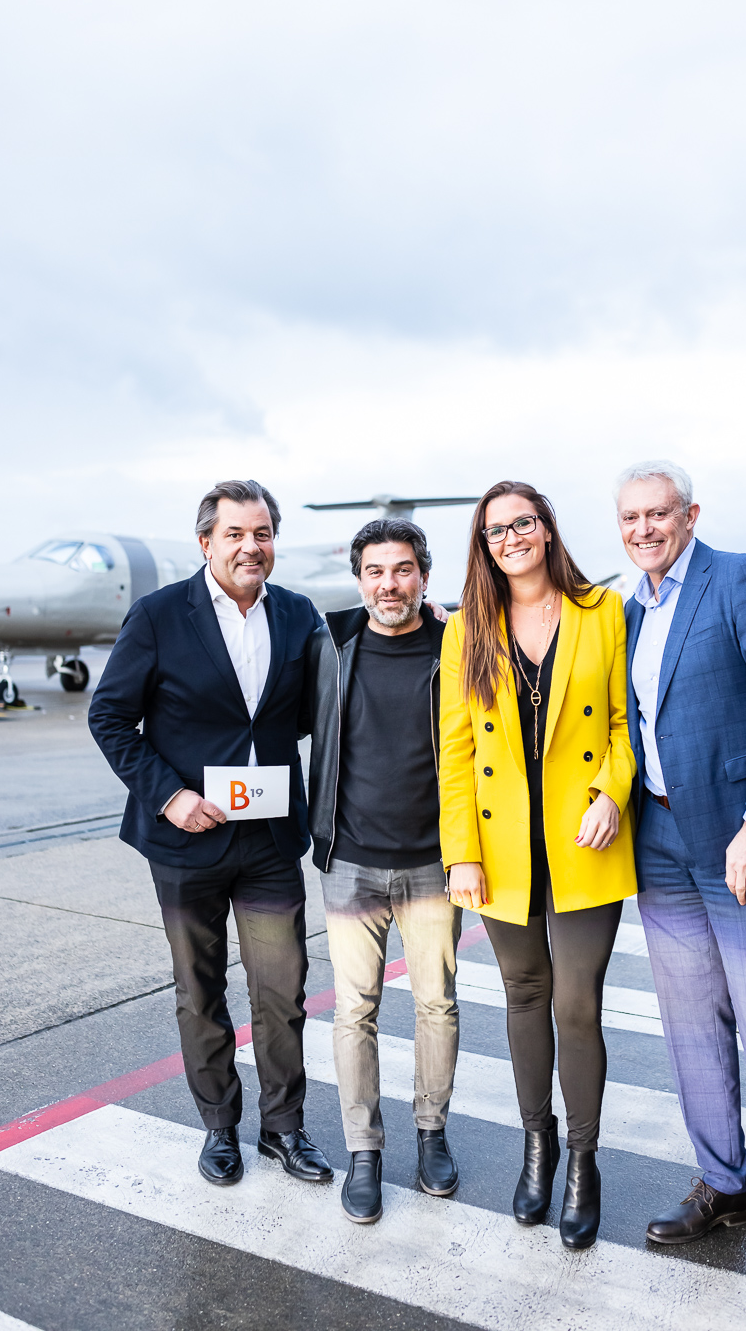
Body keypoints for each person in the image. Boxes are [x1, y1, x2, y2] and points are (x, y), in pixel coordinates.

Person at [615, 459, 746, 1297]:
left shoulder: (741, 580)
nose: (643, 530)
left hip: (745, 846)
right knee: (691, 1027)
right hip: (662, 841)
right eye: (630, 518)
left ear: (690, 514)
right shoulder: (629, 611)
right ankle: (724, 1183)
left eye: (658, 514)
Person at [89, 479, 332, 1191]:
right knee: (200, 990)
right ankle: (220, 1127)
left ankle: (283, 1129)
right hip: (187, 838)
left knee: (281, 990)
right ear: (206, 542)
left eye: (262, 534)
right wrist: (170, 796)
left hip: (269, 841)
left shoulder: (298, 614)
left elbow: (313, 707)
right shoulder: (160, 615)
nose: (251, 547)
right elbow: (110, 717)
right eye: (235, 534)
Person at [439, 480, 637, 1249]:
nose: (511, 538)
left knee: (577, 1003)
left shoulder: (601, 611)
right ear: (484, 546)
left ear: (547, 529)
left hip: (584, 839)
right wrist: (462, 853)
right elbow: (456, 755)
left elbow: (622, 723)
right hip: (502, 850)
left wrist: (611, 792)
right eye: (496, 531)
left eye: (523, 523)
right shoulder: (467, 629)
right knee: (524, 995)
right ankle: (538, 1146)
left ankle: (584, 1161)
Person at [305, 517, 460, 1224]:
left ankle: (432, 1134)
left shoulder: (455, 644)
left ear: (423, 576)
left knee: (437, 1005)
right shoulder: (330, 646)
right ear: (359, 579)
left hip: (434, 862)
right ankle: (363, 1150)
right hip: (351, 861)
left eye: (402, 570)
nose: (388, 584)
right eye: (375, 571)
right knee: (354, 1010)